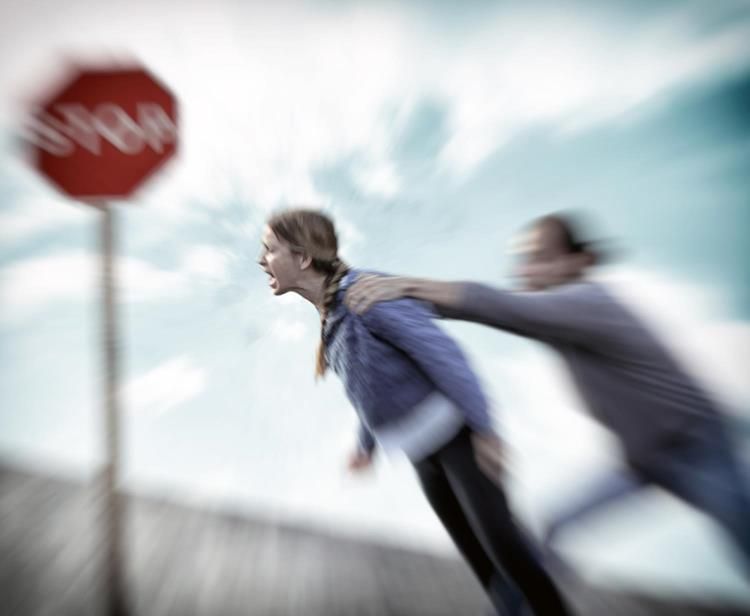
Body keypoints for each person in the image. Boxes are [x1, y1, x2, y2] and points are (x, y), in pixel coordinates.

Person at [344, 212, 750, 578]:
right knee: (553, 526)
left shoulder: (590, 301)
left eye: (540, 257)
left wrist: (405, 287)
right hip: (642, 460)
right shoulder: (567, 320)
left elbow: (506, 307)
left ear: (579, 261)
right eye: (523, 259)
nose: (526, 270)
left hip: (697, 449)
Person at [258, 208, 572, 616]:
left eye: (269, 250)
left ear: (302, 258)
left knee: (507, 550)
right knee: (482, 562)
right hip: (422, 454)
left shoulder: (364, 294)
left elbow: (445, 357)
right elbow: (367, 391)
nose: (261, 260)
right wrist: (365, 445)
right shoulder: (331, 318)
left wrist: (485, 431)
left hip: (458, 441)